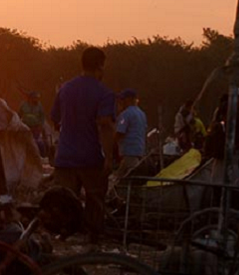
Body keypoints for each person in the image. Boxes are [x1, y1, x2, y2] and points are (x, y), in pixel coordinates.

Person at [50, 47, 116, 242]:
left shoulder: (65, 89)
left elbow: (55, 118)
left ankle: (64, 237)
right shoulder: (104, 93)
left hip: (65, 158)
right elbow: (105, 125)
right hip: (90, 158)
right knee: (95, 201)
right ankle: (92, 238)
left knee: (65, 202)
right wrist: (109, 158)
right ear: (100, 65)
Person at [112, 89, 147, 186]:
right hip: (139, 151)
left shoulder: (125, 114)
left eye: (122, 99)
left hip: (128, 152)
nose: (120, 102)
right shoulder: (142, 114)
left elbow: (120, 132)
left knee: (119, 180)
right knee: (129, 178)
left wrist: (109, 145)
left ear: (128, 100)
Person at [19, 91, 47, 157]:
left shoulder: (39, 106)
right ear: (30, 98)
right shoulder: (23, 105)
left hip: (36, 128)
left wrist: (41, 126)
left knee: (39, 143)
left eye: (37, 98)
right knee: (26, 144)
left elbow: (42, 116)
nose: (36, 99)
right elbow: (19, 115)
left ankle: (43, 157)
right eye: (35, 98)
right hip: (26, 128)